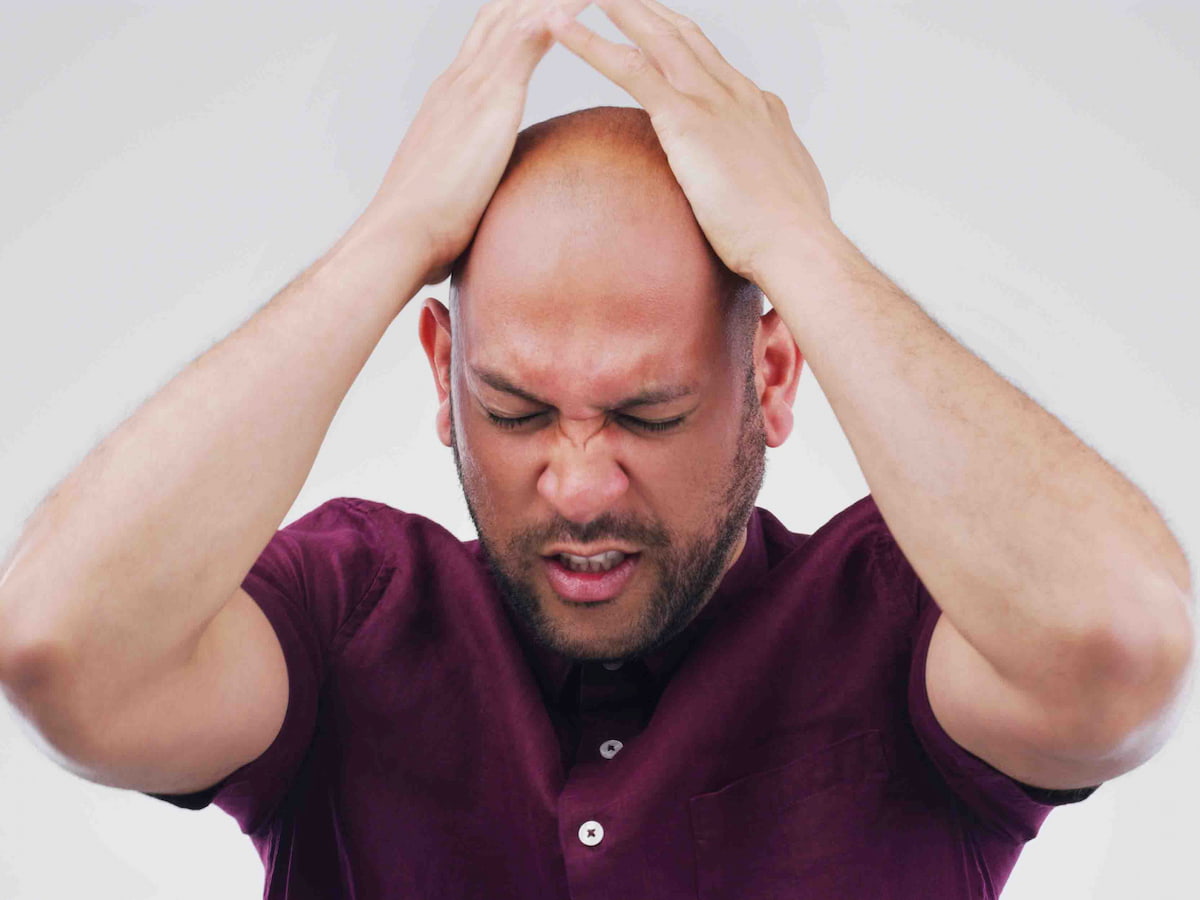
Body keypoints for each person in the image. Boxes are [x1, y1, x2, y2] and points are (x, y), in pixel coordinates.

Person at [0, 1, 1192, 897]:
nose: (576, 485)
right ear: (439, 377)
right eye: (516, 412)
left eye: (648, 416)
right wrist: (392, 235)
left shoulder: (903, 619)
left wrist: (800, 245)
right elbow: (64, 650)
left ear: (771, 376)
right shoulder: (352, 610)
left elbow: (1121, 642)